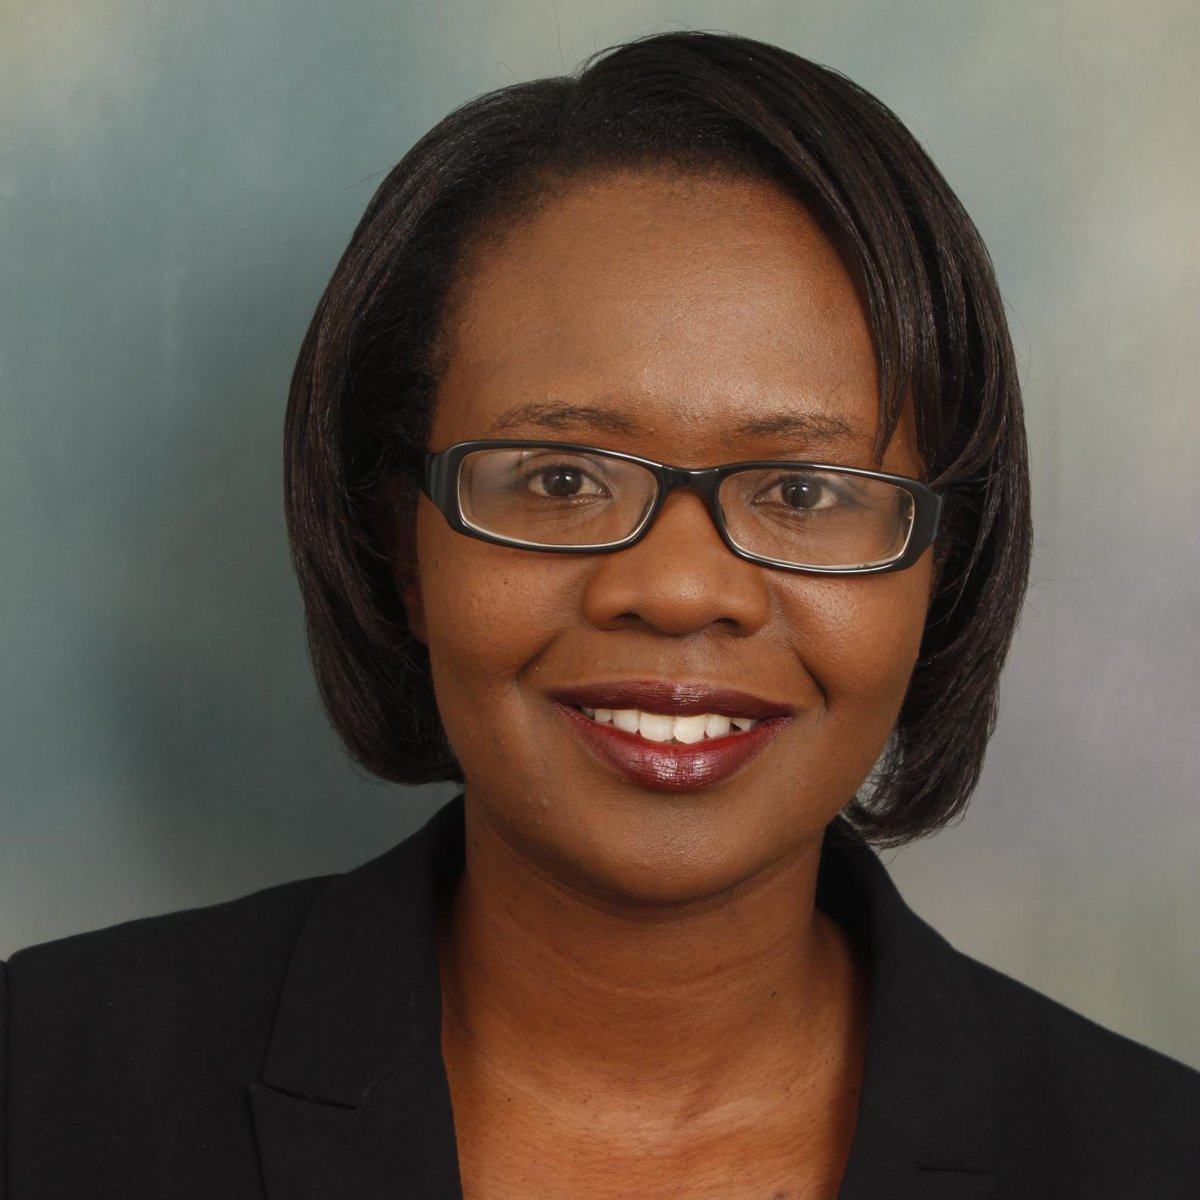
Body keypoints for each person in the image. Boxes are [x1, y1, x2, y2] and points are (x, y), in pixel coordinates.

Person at [2, 28, 1197, 1200]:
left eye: (803, 492)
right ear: (398, 545)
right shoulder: (43, 1086)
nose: (677, 590)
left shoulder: (1156, 1159)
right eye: (561, 478)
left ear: (944, 566)